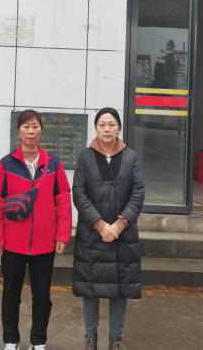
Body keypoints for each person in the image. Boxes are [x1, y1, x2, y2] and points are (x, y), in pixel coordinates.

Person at [0, 110, 72, 350]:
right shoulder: (6, 164)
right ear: (18, 131)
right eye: (26, 127)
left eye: (35, 126)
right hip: (12, 244)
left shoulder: (53, 164)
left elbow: (63, 200)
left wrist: (62, 234)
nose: (31, 131)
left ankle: (38, 341)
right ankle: (10, 340)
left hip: (44, 244)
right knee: (10, 295)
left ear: (41, 130)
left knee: (42, 297)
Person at [72, 107, 145, 350]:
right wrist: (101, 225)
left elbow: (138, 193)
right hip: (92, 235)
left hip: (123, 235)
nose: (107, 129)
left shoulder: (131, 157)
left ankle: (116, 340)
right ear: (96, 128)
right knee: (90, 289)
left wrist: (120, 224)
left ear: (119, 128)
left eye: (111, 124)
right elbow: (79, 193)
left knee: (120, 289)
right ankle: (90, 338)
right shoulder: (85, 157)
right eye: (102, 124)